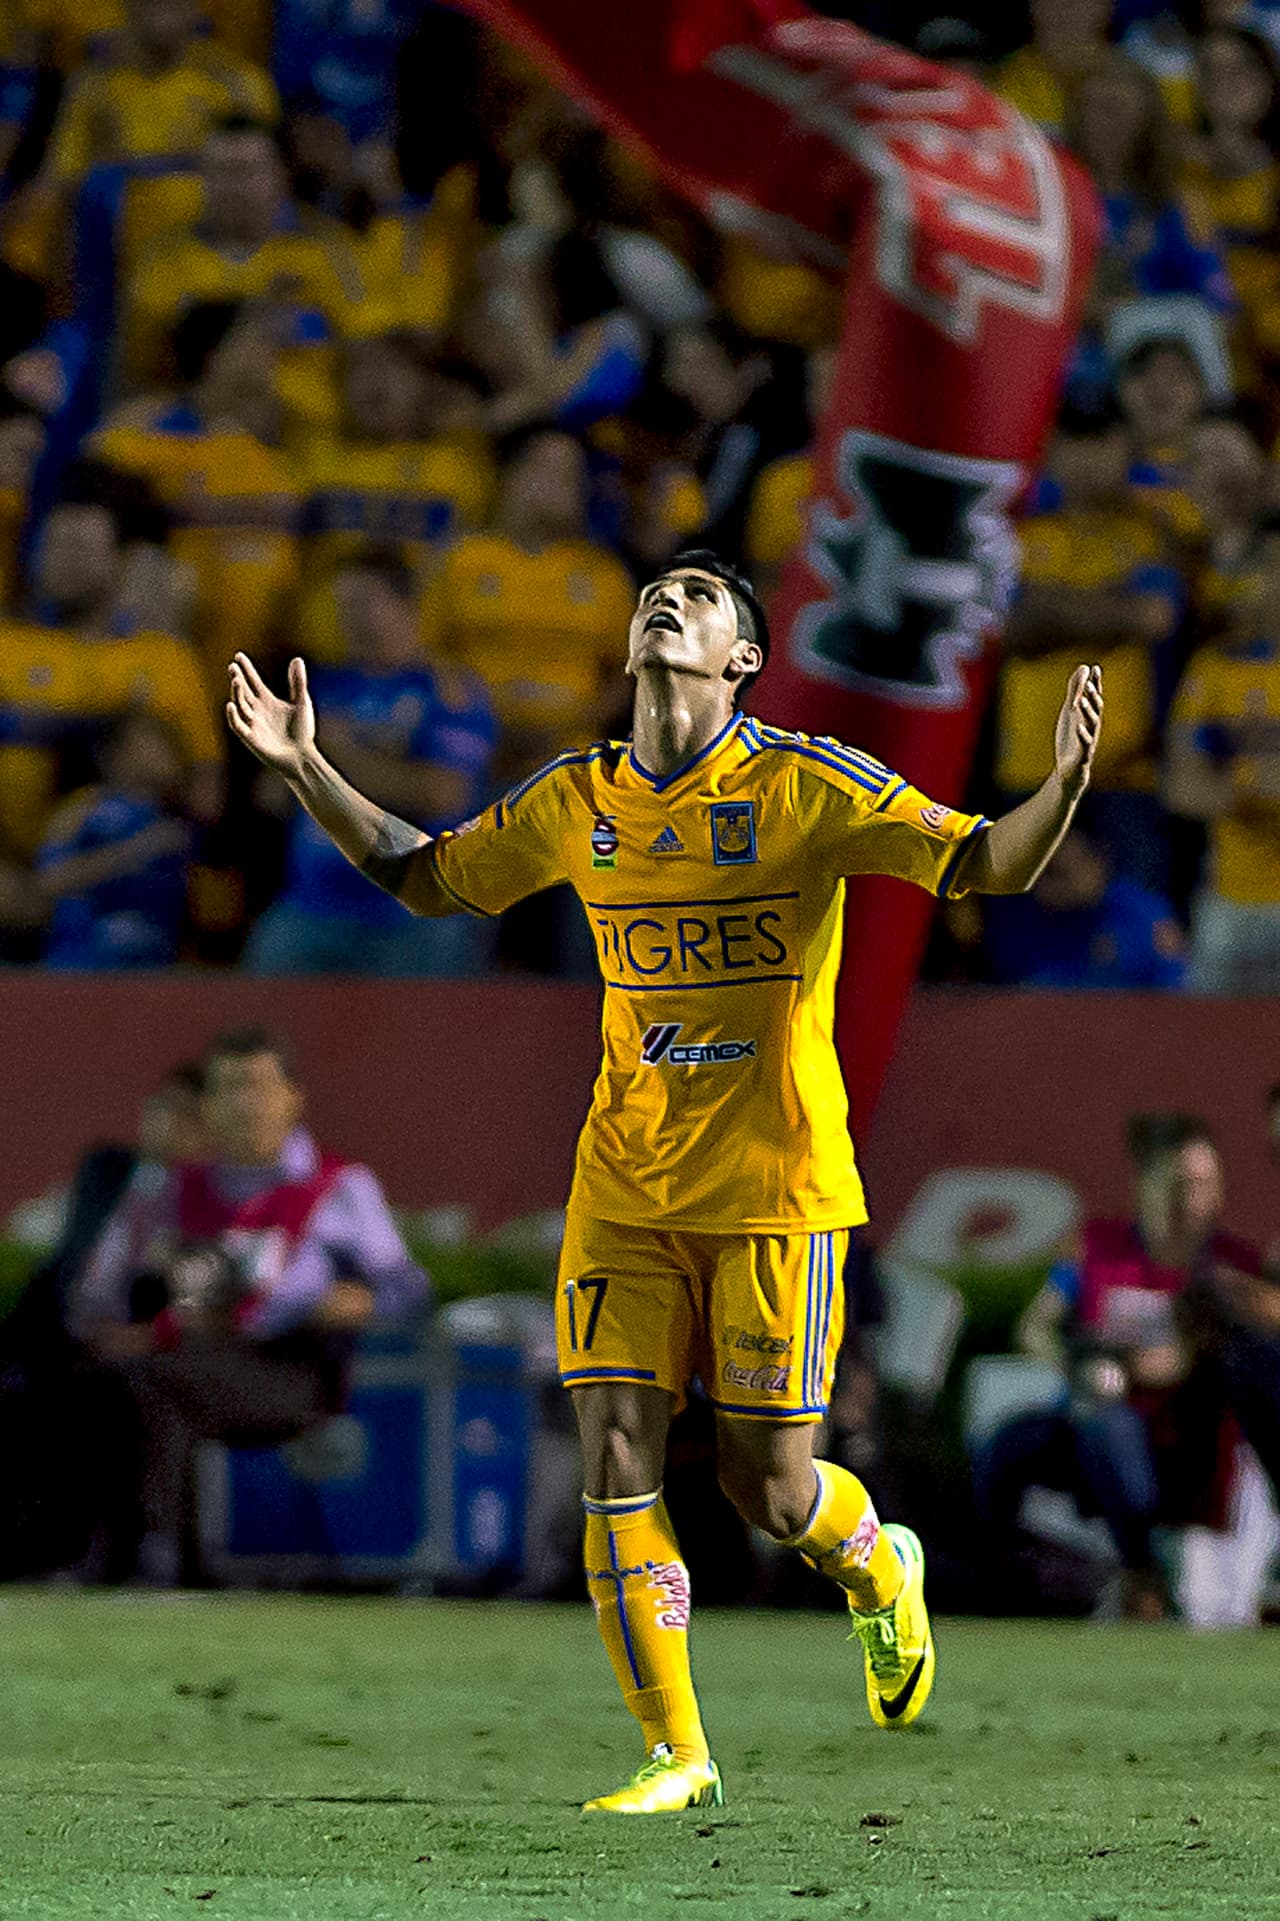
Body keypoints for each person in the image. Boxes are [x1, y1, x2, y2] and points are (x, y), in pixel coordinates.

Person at [227, 546, 1103, 1812]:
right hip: (623, 1185)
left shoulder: (808, 784)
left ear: (742, 658)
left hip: (774, 1192)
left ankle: (874, 1569)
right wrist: (308, 766)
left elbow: (985, 864)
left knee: (768, 1485)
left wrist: (1062, 785)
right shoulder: (576, 796)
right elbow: (425, 878)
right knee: (615, 1447)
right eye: (659, 591)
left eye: (700, 599)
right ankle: (674, 1751)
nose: (667, 602)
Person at [69, 1025, 427, 1584]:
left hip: (289, 1368)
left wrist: (356, 1301)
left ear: (293, 1098)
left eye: (256, 1086)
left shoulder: (340, 1186)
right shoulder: (173, 1190)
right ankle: (100, 1551)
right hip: (185, 1354)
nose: (243, 1104)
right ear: (207, 1106)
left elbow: (406, 1288)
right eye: (227, 1089)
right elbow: (99, 1290)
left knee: (148, 1380)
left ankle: (161, 1557)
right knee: (100, 1379)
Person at [987, 1114, 1261, 1619]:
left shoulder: (1228, 1268)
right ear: (1144, 1183)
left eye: (1202, 1185)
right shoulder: (1096, 1247)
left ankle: (1142, 1575)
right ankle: (1002, 1585)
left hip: (1187, 1448)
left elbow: (1178, 1364)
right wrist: (1074, 1363)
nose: (1190, 1200)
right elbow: (1037, 1326)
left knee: (1109, 1425)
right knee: (1009, 1447)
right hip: (1091, 1427)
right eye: (1177, 1184)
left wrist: (1120, 1369)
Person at [245, 545, 495, 975]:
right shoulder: (320, 687)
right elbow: (271, 794)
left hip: (410, 914)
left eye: (364, 603)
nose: (351, 618)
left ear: (408, 607)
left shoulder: (450, 689)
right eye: (342, 605)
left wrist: (337, 755)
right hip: (311, 906)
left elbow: (442, 794)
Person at [1166, 511, 1280, 991]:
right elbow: (1181, 786)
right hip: (1227, 902)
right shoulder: (1214, 669)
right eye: (1267, 566)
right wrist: (1251, 785)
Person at [35, 707, 194, 969]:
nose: (165, 750)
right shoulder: (83, 810)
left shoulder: (179, 818)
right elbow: (48, 881)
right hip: (83, 962)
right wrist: (134, 851)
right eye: (150, 740)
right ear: (115, 755)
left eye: (165, 741)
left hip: (155, 966)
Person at [983, 827, 1186, 988]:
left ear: (1099, 860)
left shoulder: (1143, 911)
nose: (1057, 886)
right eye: (1047, 873)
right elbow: (1016, 983)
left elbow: (1172, 981)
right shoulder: (1021, 915)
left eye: (1065, 872)